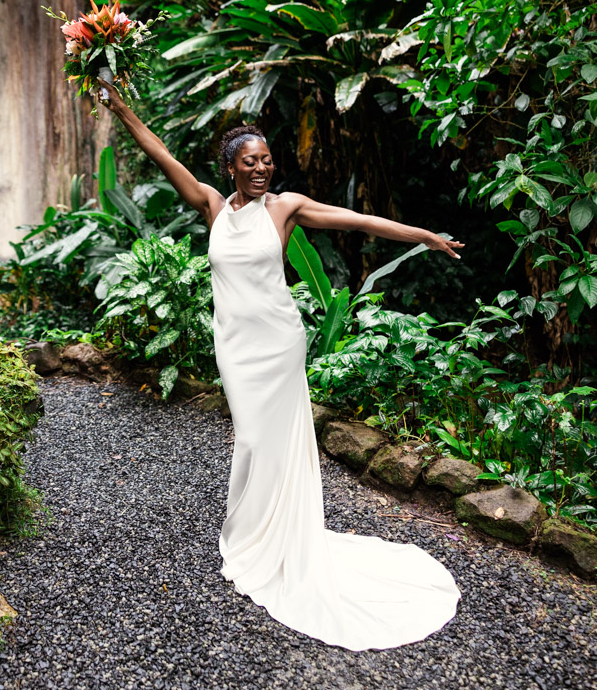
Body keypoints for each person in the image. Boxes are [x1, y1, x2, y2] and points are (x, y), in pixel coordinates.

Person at [99, 81, 463, 651]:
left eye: (268, 160)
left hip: (278, 340)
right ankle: (255, 531)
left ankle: (274, 539)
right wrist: (121, 109)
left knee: (269, 441)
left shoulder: (285, 207)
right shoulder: (212, 206)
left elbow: (357, 221)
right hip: (236, 346)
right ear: (231, 168)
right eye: (251, 162)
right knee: (251, 438)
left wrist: (420, 235)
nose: (263, 169)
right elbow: (160, 152)